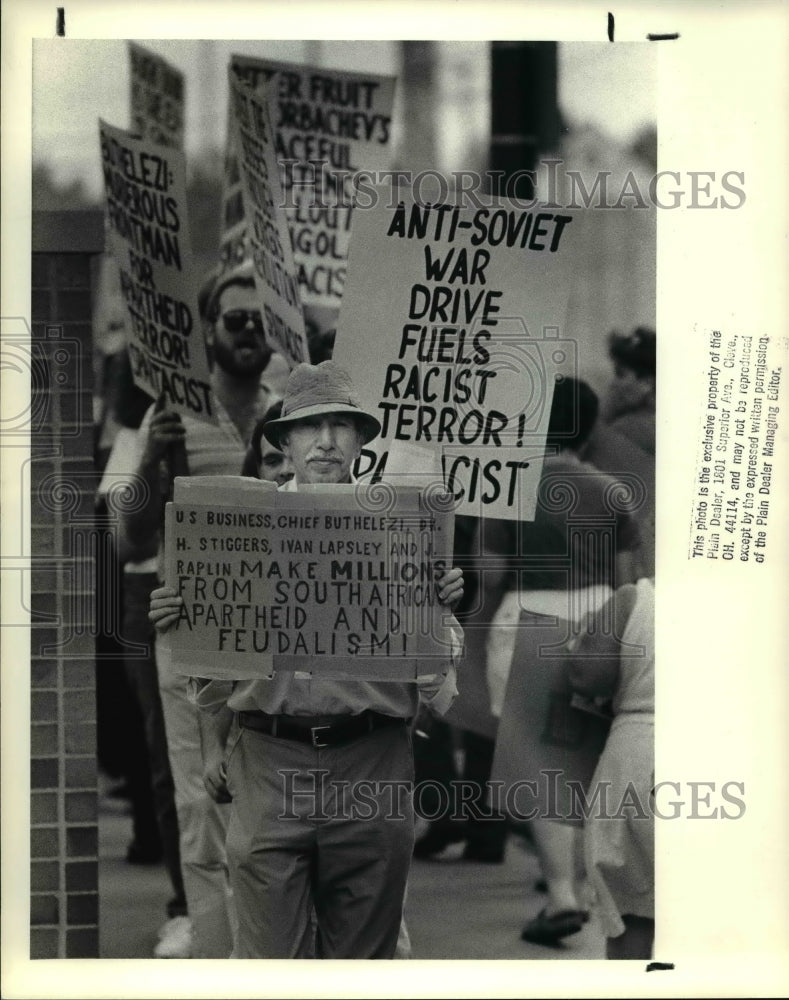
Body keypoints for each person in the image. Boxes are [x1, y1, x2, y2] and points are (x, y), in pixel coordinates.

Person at [150, 360, 465, 959]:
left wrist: (439, 611)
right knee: (271, 967)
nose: (325, 441)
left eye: (341, 426)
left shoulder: (400, 526)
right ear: (285, 443)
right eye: (310, 427)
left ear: (361, 441)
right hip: (270, 763)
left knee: (362, 966)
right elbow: (214, 672)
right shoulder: (238, 527)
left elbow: (440, 688)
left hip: (370, 761)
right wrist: (181, 618)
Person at [119, 260, 281, 958]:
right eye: (235, 320)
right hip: (192, 629)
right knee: (196, 797)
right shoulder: (167, 416)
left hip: (278, 635)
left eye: (259, 322)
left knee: (266, 795)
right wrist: (152, 467)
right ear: (208, 331)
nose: (248, 333)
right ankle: (201, 925)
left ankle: (260, 927)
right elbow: (129, 538)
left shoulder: (293, 411)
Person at [482, 376, 643, 946]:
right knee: (588, 753)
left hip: (531, 613)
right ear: (591, 425)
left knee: (541, 758)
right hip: (601, 613)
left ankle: (561, 893)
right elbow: (629, 582)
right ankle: (588, 884)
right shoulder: (613, 490)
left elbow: (491, 573)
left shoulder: (512, 487)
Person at [569, 577, 655, 959]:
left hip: (636, 757)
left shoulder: (635, 598)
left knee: (629, 908)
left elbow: (589, 675)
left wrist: (584, 640)